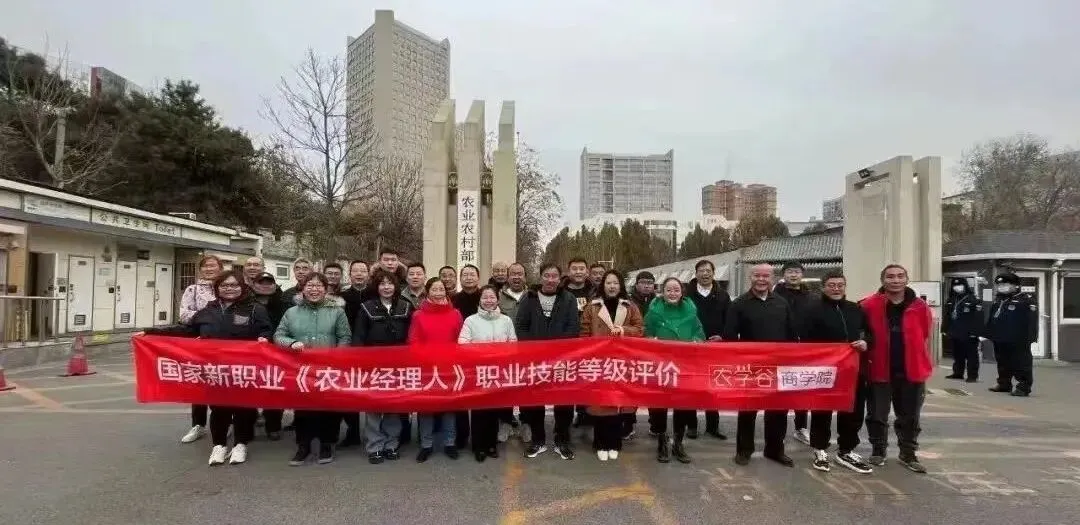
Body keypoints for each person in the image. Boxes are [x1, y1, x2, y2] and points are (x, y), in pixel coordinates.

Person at [144, 271, 273, 465]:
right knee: (219, 409)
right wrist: (150, 333)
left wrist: (265, 338)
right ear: (217, 288)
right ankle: (219, 445)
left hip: (243, 370)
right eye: (224, 285)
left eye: (234, 285)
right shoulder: (208, 310)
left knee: (243, 409)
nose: (229, 289)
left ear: (242, 287)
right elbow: (187, 330)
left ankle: (240, 445)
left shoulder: (255, 309)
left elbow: (267, 330)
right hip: (214, 371)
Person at [860, 264, 932, 474]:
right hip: (879, 369)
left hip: (911, 370)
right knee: (877, 415)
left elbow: (925, 333)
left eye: (900, 276)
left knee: (910, 416)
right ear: (883, 280)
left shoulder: (920, 306)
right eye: (890, 277)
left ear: (907, 280)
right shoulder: (868, 305)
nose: (896, 280)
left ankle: (908, 453)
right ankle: (878, 450)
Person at [273, 272, 352, 466]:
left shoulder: (337, 312)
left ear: (326, 289)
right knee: (303, 409)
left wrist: (337, 357)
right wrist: (291, 343)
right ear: (303, 288)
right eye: (310, 285)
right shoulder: (291, 312)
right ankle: (303, 445)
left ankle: (327, 444)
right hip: (301, 369)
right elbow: (278, 336)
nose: (314, 289)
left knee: (329, 408)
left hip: (328, 369)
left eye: (318, 286)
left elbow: (345, 337)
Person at [723, 263, 797, 467]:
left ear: (772, 278)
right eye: (757, 275)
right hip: (750, 367)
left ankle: (774, 450)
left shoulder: (781, 303)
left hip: (778, 367)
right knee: (748, 410)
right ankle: (744, 450)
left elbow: (792, 335)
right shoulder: (739, 304)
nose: (761, 279)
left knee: (778, 411)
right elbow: (729, 337)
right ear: (751, 278)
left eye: (766, 276)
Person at [804, 271, 874, 474]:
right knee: (821, 410)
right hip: (823, 369)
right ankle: (819, 449)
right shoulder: (812, 310)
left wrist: (865, 343)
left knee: (852, 410)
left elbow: (870, 334)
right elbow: (803, 339)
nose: (836, 289)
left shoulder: (855, 309)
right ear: (823, 287)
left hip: (852, 369)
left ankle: (846, 450)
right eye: (832, 285)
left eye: (840, 285)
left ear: (845, 287)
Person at [515, 262, 580, 460]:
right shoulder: (529, 298)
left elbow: (573, 327)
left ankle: (562, 440)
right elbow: (521, 326)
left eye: (554, 276)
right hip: (535, 360)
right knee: (535, 400)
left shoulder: (568, 298)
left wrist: (557, 350)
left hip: (562, 359)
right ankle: (538, 440)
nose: (550, 280)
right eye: (547, 275)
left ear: (560, 279)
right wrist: (535, 350)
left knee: (564, 401)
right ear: (540, 277)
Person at [581, 270, 644, 462]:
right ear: (603, 285)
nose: (612, 286)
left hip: (622, 362)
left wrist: (623, 330)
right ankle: (600, 443)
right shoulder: (592, 307)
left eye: (615, 283)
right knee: (601, 403)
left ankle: (615, 443)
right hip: (598, 361)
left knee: (618, 402)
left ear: (620, 285)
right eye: (608, 283)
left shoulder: (630, 306)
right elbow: (584, 332)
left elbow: (640, 329)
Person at [352, 271, 414, 464]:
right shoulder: (366, 307)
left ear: (395, 286)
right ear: (376, 287)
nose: (386, 287)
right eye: (382, 284)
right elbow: (358, 337)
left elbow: (412, 335)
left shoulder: (405, 306)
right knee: (373, 407)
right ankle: (374, 446)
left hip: (398, 365)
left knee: (393, 406)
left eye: (390, 283)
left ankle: (391, 444)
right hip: (373, 365)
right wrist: (359, 362)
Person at [645, 277, 705, 464]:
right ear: (662, 292)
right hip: (661, 365)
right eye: (669, 290)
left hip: (684, 365)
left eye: (676, 290)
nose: (672, 293)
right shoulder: (654, 312)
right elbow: (645, 333)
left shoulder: (691, 311)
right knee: (659, 405)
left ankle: (678, 442)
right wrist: (651, 341)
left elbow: (699, 332)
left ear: (682, 292)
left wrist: (697, 341)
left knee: (683, 405)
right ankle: (662, 440)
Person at [459, 285, 518, 462]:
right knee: (479, 411)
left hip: (499, 372)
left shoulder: (506, 320)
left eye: (492, 297)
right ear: (480, 300)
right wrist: (483, 352)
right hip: (478, 372)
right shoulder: (471, 320)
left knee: (494, 409)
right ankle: (478, 446)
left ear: (497, 300)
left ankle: (492, 444)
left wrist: (501, 354)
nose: (488, 301)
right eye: (485, 297)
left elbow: (513, 342)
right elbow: (462, 343)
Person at [408, 277, 464, 462]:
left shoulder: (455, 313)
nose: (438, 293)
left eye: (441, 289)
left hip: (449, 366)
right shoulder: (418, 315)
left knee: (449, 406)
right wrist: (425, 358)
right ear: (428, 292)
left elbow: (461, 340)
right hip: (427, 367)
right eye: (435, 289)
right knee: (426, 407)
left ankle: (450, 442)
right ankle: (426, 444)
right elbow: (413, 341)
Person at [177, 254, 223, 444]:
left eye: (213, 265)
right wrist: (209, 317)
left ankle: (225, 423)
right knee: (199, 384)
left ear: (220, 268)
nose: (209, 269)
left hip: (223, 344)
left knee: (222, 384)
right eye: (206, 266)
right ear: (200, 269)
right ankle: (198, 424)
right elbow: (184, 315)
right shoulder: (192, 289)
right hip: (199, 343)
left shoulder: (226, 288)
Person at [685, 259, 731, 440]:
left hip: (714, 347)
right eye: (701, 271)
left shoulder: (723, 296)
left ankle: (713, 426)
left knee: (713, 387)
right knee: (690, 386)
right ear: (696, 273)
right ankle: (691, 425)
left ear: (714, 273)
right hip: (692, 346)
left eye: (708, 271)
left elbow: (729, 320)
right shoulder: (687, 295)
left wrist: (723, 336)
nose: (705, 274)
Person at [773, 261, 813, 446]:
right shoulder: (774, 295)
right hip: (781, 349)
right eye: (789, 271)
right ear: (784, 275)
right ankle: (777, 430)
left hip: (804, 349)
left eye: (797, 271)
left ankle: (801, 427)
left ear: (802, 274)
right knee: (780, 390)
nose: (793, 275)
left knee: (802, 389)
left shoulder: (811, 297)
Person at [250, 271, 292, 441]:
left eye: (269, 282)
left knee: (275, 389)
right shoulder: (246, 303)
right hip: (252, 353)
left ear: (275, 285)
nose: (266, 286)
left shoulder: (284, 304)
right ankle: (250, 421)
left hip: (278, 353)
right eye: (261, 282)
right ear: (254, 285)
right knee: (250, 388)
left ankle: (273, 425)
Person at [985, 272, 1038, 397]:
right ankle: (1004, 384)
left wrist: (1031, 337)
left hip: (1018, 339)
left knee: (1021, 363)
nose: (1001, 287)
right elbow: (992, 318)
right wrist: (988, 333)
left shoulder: (1025, 300)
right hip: (1000, 338)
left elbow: (1031, 321)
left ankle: (1023, 387)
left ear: (1015, 285)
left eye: (1005, 284)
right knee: (1002, 362)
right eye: (999, 285)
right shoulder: (999, 299)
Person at [450, 264, 483, 449]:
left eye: (472, 274)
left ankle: (480, 439)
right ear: (460, 278)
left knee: (480, 396)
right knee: (460, 395)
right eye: (465, 275)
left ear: (478, 278)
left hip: (482, 355)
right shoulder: (453, 299)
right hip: (459, 354)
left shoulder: (485, 296)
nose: (469, 278)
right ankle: (461, 436)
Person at [495, 262, 529, 441]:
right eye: (513, 274)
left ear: (525, 277)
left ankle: (526, 423)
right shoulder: (498, 296)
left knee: (527, 388)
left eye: (520, 274)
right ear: (508, 277)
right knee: (504, 388)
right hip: (504, 352)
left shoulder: (532, 296)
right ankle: (506, 422)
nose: (516, 277)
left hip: (528, 351)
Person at [564, 258, 597, 429]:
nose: (578, 272)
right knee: (567, 380)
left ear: (587, 272)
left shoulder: (595, 291)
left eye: (581, 269)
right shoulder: (560, 291)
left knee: (586, 379)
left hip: (590, 343)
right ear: (568, 271)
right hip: (566, 343)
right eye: (574, 268)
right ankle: (565, 418)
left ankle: (585, 414)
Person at [630, 271, 658, 438]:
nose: (647, 285)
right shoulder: (628, 301)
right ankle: (628, 423)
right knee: (632, 388)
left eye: (650, 282)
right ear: (637, 284)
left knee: (655, 388)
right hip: (633, 351)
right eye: (643, 282)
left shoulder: (659, 302)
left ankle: (656, 424)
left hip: (654, 352)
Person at [943, 277, 984, 383]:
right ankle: (958, 373)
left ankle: (972, 376)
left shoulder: (973, 299)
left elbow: (978, 318)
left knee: (971, 355)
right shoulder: (951, 300)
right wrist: (945, 329)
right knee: (957, 354)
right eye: (955, 285)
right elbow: (947, 316)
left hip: (969, 333)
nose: (957, 287)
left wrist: (976, 332)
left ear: (965, 286)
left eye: (960, 285)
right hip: (955, 332)